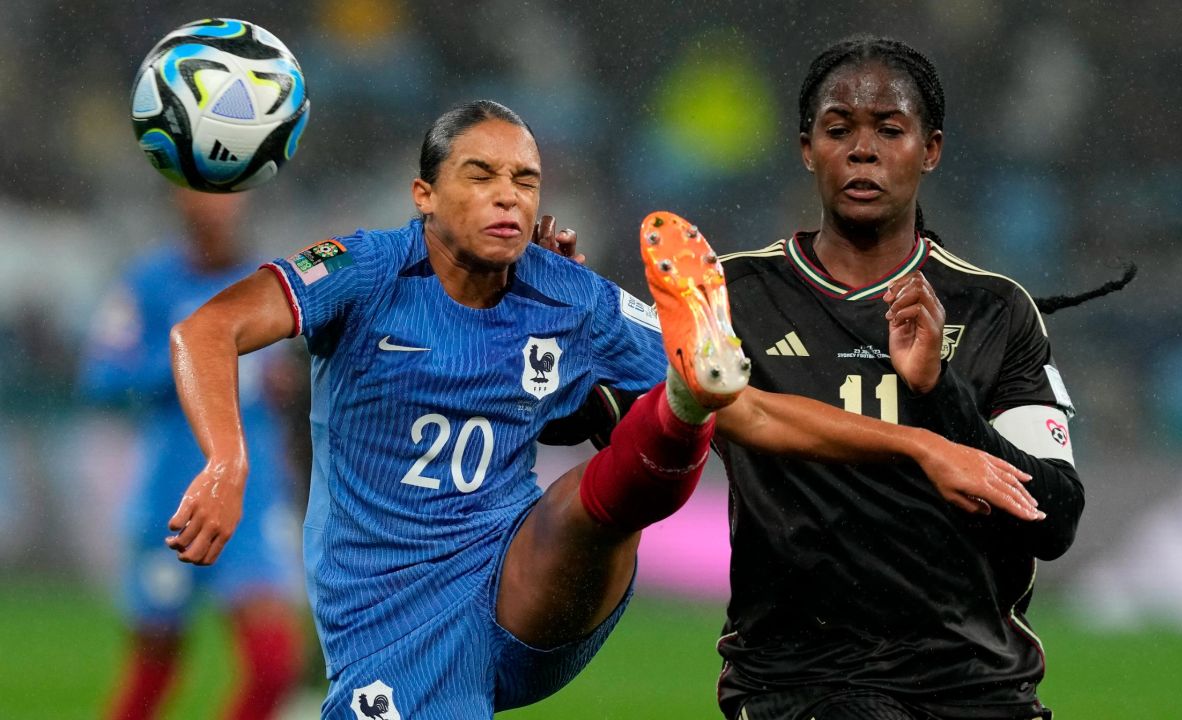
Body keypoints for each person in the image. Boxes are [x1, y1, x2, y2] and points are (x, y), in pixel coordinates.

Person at [162, 100, 1041, 719]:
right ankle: (679, 398)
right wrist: (226, 461)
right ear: (424, 194)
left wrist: (920, 446)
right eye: (481, 175)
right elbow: (207, 329)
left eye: (526, 179)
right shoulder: (360, 269)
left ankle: (684, 396)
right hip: (389, 618)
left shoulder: (566, 294)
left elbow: (765, 417)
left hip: (523, 584)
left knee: (615, 477)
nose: (510, 196)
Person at [710, 36, 1116, 720]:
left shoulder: (993, 310)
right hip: (801, 679)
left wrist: (939, 390)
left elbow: (1055, 519)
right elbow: (615, 422)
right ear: (807, 148)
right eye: (839, 130)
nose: (862, 150)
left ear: (930, 150)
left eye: (889, 130)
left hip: (976, 682)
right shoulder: (734, 296)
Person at [80, 189, 304, 720]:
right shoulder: (147, 285)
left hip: (251, 502)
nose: (213, 205)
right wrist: (195, 356)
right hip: (171, 502)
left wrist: (284, 382)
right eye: (198, 191)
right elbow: (103, 379)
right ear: (177, 198)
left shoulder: (272, 287)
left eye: (226, 193)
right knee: (154, 671)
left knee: (274, 665)